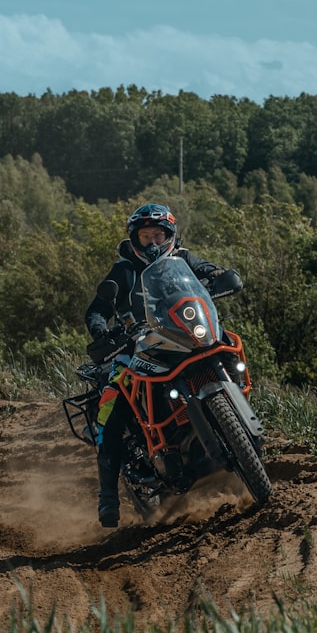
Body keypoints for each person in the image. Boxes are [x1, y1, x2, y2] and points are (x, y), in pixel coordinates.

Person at [84, 203, 236, 528]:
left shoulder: (183, 259)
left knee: (227, 348)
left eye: (158, 235)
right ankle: (107, 495)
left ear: (169, 236)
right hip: (136, 348)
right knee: (112, 405)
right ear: (135, 240)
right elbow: (96, 311)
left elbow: (210, 271)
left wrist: (220, 277)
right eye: (145, 236)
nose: (152, 242)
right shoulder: (123, 271)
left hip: (182, 338)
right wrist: (103, 332)